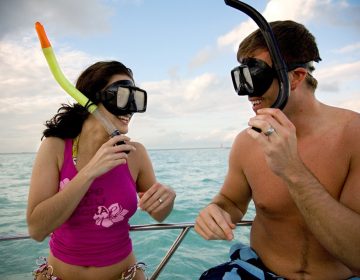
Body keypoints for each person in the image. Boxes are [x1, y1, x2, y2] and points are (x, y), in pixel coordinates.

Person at [194, 20, 360, 279]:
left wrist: (292, 169)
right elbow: (231, 201)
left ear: (296, 77)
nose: (248, 94)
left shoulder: (354, 135)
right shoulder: (247, 142)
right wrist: (216, 210)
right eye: (242, 78)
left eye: (256, 77)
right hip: (260, 272)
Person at [27, 60, 176, 280]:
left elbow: (158, 213)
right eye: (123, 97)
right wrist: (89, 172)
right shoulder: (55, 148)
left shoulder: (135, 153)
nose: (130, 109)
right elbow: (37, 230)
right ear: (90, 100)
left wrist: (167, 200)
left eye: (135, 99)